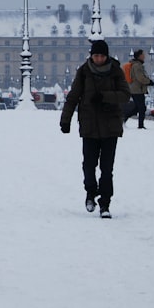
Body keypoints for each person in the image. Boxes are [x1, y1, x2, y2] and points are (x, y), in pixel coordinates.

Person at [60, 39, 130, 219]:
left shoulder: (115, 71)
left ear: (106, 56)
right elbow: (73, 96)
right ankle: (90, 193)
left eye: (101, 55)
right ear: (91, 55)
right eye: (96, 55)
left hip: (110, 126)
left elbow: (125, 94)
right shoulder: (83, 72)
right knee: (89, 165)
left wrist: (105, 97)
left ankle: (105, 203)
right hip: (89, 125)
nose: (98, 59)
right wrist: (65, 120)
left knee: (107, 168)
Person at [123, 49, 154, 129]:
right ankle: (140, 125)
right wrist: (149, 82)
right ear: (139, 56)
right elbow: (140, 77)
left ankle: (125, 118)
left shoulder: (137, 64)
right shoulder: (137, 65)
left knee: (138, 107)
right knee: (141, 108)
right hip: (137, 90)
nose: (144, 56)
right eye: (143, 55)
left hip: (136, 89)